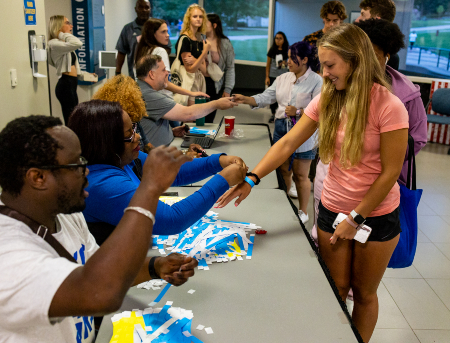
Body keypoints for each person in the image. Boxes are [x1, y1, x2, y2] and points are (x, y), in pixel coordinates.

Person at [217, 24, 409, 343]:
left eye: (330, 65)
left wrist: (357, 217)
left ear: (356, 61)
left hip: (375, 215)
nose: (325, 73)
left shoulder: (389, 107)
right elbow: (288, 141)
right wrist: (252, 177)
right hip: (333, 209)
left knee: (363, 293)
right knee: (336, 288)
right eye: (322, 65)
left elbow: (390, 173)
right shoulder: (328, 99)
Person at [0, 115, 197, 342]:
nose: (86, 172)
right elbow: (101, 293)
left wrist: (155, 266)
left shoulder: (66, 215)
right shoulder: (9, 254)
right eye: (76, 165)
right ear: (38, 177)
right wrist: (149, 189)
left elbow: (99, 272)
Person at [311, 18, 428, 246]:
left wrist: (379, 157)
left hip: (377, 192)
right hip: (336, 184)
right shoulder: (338, 88)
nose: (368, 60)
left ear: (386, 55)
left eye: (374, 54)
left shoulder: (402, 95)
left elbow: (418, 139)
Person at [68, 100, 247, 245]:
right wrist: (222, 180)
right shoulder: (101, 184)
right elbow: (172, 219)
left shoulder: (122, 159)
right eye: (129, 133)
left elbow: (174, 171)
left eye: (135, 128)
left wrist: (217, 161)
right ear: (107, 143)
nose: (137, 136)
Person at [233, 41, 322, 224]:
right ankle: (286, 205)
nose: (287, 61)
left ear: (305, 59)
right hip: (281, 127)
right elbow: (266, 97)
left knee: (300, 174)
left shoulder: (317, 81)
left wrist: (297, 111)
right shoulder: (283, 78)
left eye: (292, 58)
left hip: (304, 130)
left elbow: (321, 111)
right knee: (282, 171)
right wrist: (245, 99)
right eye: (288, 57)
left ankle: (303, 211)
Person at [136, 54, 238, 147]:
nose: (167, 73)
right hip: (158, 158)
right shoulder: (148, 95)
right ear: (152, 74)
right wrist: (217, 104)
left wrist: (171, 132)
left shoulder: (142, 90)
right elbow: (188, 114)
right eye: (163, 70)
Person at [134, 18, 209, 101]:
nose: (168, 35)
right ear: (153, 34)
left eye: (167, 31)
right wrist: (190, 93)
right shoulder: (160, 51)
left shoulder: (141, 51)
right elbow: (166, 83)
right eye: (163, 32)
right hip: (162, 100)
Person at [47, 15, 96, 124]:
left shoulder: (63, 45)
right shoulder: (54, 44)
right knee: (72, 120)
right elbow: (78, 43)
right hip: (65, 84)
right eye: (67, 23)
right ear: (59, 26)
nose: (71, 26)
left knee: (74, 118)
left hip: (71, 84)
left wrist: (87, 76)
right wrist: (60, 34)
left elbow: (73, 69)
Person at [116, 0, 170, 79]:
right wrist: (118, 72)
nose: (144, 10)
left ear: (150, 9)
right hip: (135, 75)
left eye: (146, 7)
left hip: (156, 75)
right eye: (141, 7)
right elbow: (121, 52)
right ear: (136, 9)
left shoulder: (157, 26)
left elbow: (167, 47)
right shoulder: (127, 29)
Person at [203, 14, 236, 123]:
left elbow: (230, 67)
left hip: (214, 85)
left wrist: (227, 89)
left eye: (205, 22)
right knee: (196, 116)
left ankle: (205, 139)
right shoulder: (199, 40)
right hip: (199, 83)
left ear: (214, 25)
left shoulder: (225, 43)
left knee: (209, 118)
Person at [175, 4, 210, 106]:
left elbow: (204, 70)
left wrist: (195, 60)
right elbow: (190, 69)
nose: (198, 19)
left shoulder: (200, 39)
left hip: (199, 80)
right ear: (188, 19)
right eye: (195, 16)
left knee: (197, 115)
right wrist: (203, 53)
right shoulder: (185, 39)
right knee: (190, 115)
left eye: (200, 16)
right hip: (187, 81)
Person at [303, 1, 347, 73]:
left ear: (341, 19)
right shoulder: (310, 40)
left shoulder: (346, 41)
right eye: (328, 20)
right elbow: (301, 64)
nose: (331, 24)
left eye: (335, 20)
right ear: (323, 18)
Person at [355, 0, 399, 70]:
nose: (357, 20)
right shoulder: (393, 56)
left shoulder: (390, 58)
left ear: (377, 17)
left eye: (363, 15)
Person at [265, 32, 289, 123]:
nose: (278, 40)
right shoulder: (272, 50)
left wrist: (285, 63)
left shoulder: (287, 50)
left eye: (280, 38)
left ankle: (281, 113)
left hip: (284, 76)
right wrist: (267, 77)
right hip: (273, 76)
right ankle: (273, 114)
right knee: (273, 95)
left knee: (283, 95)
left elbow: (291, 63)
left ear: (284, 39)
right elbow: (268, 64)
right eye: (276, 38)